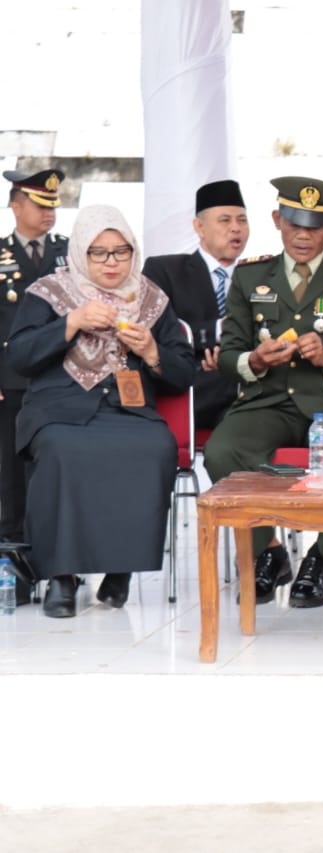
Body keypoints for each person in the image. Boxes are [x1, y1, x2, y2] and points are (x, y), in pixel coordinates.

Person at [203, 177, 323, 608]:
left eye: (315, 226)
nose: (303, 235)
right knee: (222, 450)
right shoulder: (251, 277)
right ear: (277, 221)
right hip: (269, 399)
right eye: (294, 223)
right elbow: (229, 352)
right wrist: (256, 359)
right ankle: (269, 551)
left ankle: (319, 561)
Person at [8, 205, 195, 617]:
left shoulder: (151, 299)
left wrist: (152, 352)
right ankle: (62, 575)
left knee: (155, 446)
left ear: (134, 251)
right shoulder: (49, 293)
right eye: (98, 252)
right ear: (80, 252)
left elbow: (183, 374)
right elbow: (19, 356)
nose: (111, 263)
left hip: (129, 412)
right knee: (61, 449)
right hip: (59, 410)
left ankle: (120, 567)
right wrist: (70, 323)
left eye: (121, 251)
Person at [141, 179, 246, 429]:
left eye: (242, 220)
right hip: (192, 384)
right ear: (199, 227)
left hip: (244, 386)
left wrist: (232, 357)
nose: (236, 229)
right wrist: (218, 332)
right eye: (225, 220)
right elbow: (155, 333)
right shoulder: (166, 270)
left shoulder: (259, 276)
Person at [0, 169, 68, 551]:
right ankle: (12, 548)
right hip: (10, 378)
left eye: (52, 206)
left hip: (59, 376)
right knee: (10, 468)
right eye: (39, 205)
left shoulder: (70, 252)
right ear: (14, 205)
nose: (48, 213)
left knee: (55, 463)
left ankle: (55, 544)